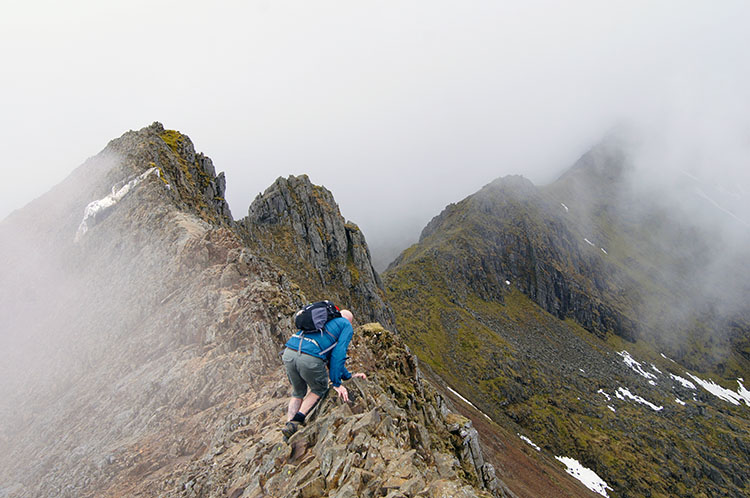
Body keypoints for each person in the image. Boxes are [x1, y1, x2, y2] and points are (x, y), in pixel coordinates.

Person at [281, 308, 366, 440]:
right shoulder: (345, 325)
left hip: (289, 352)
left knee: (298, 392)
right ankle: (296, 421)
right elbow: (338, 354)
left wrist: (348, 376)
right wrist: (336, 383)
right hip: (309, 357)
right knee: (319, 389)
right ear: (349, 321)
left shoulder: (322, 321)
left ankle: (288, 428)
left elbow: (331, 357)